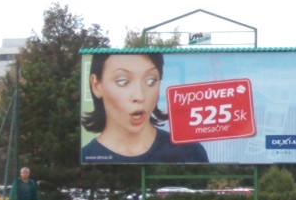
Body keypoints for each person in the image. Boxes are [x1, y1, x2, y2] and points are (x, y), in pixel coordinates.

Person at [80, 53, 209, 164]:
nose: (140, 96)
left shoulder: (190, 152)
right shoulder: (87, 157)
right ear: (96, 86)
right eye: (123, 82)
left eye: (150, 81)